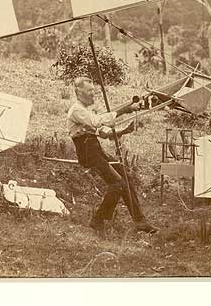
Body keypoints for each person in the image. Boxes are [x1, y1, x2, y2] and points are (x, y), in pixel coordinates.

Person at [67, 76, 158, 234]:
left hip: (96, 150)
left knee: (126, 177)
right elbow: (96, 122)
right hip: (88, 153)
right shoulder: (77, 110)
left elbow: (103, 132)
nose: (93, 95)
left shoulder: (86, 112)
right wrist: (124, 109)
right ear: (78, 92)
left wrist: (125, 130)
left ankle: (140, 221)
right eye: (89, 91)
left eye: (94, 91)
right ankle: (98, 219)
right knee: (117, 184)